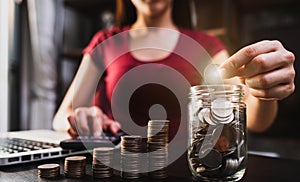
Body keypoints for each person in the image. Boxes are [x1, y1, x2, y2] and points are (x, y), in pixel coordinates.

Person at [52, 0, 295, 140]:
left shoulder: (206, 46)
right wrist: (81, 119)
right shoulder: (105, 41)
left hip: (188, 172)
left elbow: (253, 119)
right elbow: (62, 117)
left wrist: (262, 90)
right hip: (115, 170)